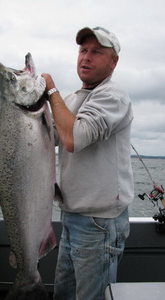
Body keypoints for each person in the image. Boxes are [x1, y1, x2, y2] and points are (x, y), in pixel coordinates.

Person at [42, 26, 134, 300]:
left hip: (99, 224)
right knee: (65, 295)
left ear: (113, 62)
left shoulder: (113, 96)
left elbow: (73, 137)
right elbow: (49, 140)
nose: (86, 57)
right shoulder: (70, 100)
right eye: (83, 50)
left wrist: (51, 91)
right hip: (70, 216)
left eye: (96, 52)